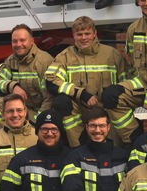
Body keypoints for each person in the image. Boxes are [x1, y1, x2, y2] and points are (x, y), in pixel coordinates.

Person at [45, 15, 137, 147]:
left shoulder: (112, 54)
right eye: (79, 34)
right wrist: (81, 94)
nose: (84, 38)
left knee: (114, 149)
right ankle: (77, 147)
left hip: (107, 113)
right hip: (79, 115)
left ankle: (128, 143)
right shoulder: (65, 56)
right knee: (61, 102)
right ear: (74, 35)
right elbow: (51, 81)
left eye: (87, 33)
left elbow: (126, 84)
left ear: (94, 33)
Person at [0, 25, 54, 123]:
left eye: (22, 40)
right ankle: (9, 133)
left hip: (41, 113)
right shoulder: (11, 61)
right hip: (20, 111)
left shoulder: (44, 62)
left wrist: (39, 122)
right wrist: (13, 86)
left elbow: (50, 99)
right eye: (15, 41)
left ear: (32, 41)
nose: (18, 44)